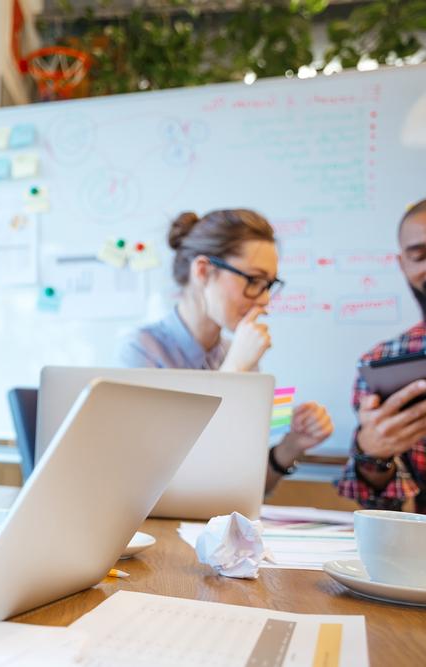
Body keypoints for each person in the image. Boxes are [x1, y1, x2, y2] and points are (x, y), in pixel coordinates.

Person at [119, 208, 333, 493]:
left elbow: (244, 488)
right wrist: (234, 370)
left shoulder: (237, 354)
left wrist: (291, 445)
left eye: (269, 285)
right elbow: (161, 483)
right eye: (254, 281)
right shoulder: (141, 350)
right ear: (204, 271)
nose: (265, 301)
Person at [337, 199, 426, 513]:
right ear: (403, 264)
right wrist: (373, 453)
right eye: (420, 255)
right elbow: (381, 509)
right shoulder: (385, 361)